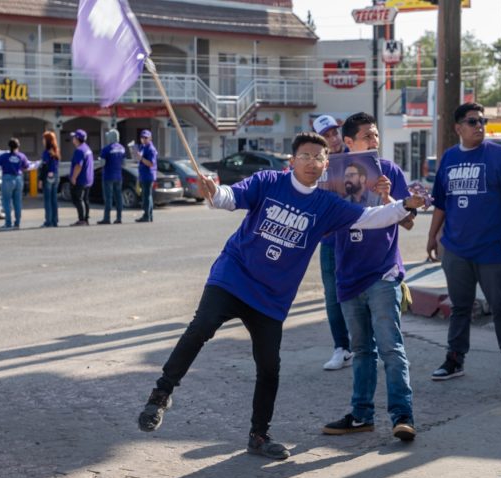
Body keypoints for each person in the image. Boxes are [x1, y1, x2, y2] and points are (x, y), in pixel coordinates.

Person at [137, 132, 425, 460]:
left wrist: (404, 205)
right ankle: (161, 394)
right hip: (234, 277)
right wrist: (214, 191)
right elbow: (230, 197)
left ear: (326, 165)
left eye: (319, 157)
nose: (311, 162)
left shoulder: (327, 205)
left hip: (272, 297)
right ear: (292, 161)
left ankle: (259, 436)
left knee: (269, 367)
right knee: (200, 327)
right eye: (305, 156)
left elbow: (371, 218)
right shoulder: (269, 181)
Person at [322, 112, 417, 441]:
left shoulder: (389, 171)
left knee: (391, 348)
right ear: (348, 142)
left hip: (383, 274)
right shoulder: (332, 177)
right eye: (367, 136)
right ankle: (361, 414)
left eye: (375, 135)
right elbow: (324, 229)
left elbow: (408, 223)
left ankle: (402, 416)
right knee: (362, 350)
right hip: (348, 276)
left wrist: (389, 199)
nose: (374, 141)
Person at [427, 102, 501, 382]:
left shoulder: (499, 156)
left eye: (482, 121)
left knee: (499, 304)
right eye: (472, 122)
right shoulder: (449, 158)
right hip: (456, 247)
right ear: (458, 128)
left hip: (492, 246)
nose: (479, 126)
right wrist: (431, 236)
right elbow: (440, 202)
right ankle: (454, 359)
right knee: (460, 306)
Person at [312, 115, 352, 370]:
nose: (333, 138)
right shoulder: (316, 165)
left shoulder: (358, 156)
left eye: (335, 132)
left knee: (365, 291)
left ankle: (371, 346)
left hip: (359, 236)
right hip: (329, 239)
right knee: (332, 295)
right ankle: (342, 348)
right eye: (327, 135)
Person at [0, 138, 31, 230]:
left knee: (6, 202)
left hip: (7, 179)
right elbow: (26, 167)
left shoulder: (4, 156)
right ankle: (17, 223)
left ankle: (8, 223)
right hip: (18, 179)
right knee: (17, 202)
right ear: (18, 146)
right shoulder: (21, 156)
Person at [98, 129, 126, 224]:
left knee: (108, 198)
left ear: (111, 137)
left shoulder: (106, 149)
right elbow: (124, 163)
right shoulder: (122, 148)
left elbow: (102, 163)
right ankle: (119, 217)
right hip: (118, 176)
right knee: (118, 197)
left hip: (108, 176)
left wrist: (99, 160)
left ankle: (107, 218)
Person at [69, 129, 94, 226]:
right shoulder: (87, 148)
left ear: (77, 139)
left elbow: (78, 165)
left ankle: (82, 219)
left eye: (74, 137)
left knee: (77, 199)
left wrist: (74, 177)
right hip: (88, 178)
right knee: (85, 199)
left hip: (81, 179)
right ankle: (86, 218)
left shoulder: (79, 150)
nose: (73, 139)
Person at [134, 129, 157, 223]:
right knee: (147, 196)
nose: (143, 139)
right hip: (143, 174)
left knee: (147, 196)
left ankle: (146, 216)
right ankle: (149, 216)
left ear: (150, 138)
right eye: (142, 137)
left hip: (148, 175)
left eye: (146, 137)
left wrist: (141, 158)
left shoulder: (151, 149)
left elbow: (151, 163)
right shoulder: (143, 147)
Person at [39, 131, 61, 228]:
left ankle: (48, 221)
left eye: (44, 139)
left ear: (47, 140)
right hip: (56, 175)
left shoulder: (46, 152)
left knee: (47, 199)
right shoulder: (56, 151)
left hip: (48, 177)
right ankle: (54, 220)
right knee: (54, 199)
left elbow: (44, 167)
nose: (42, 141)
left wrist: (40, 179)